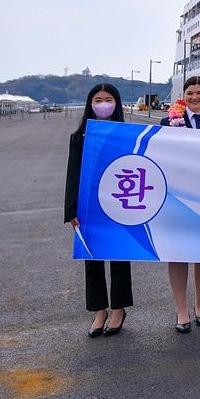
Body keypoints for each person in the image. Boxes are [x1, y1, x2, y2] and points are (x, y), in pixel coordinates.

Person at [64, 83, 132, 337]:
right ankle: (98, 311)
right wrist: (71, 210)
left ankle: (119, 309)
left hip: (119, 201)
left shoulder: (126, 134)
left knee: (119, 256)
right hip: (89, 205)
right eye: (98, 99)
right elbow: (73, 175)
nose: (103, 104)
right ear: (90, 104)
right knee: (92, 259)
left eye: (108, 99)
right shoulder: (79, 137)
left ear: (117, 103)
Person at [159, 76, 200, 333]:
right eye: (189, 93)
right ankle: (181, 310)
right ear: (183, 96)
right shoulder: (168, 123)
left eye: (199, 93)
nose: (194, 97)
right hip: (177, 198)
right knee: (177, 254)